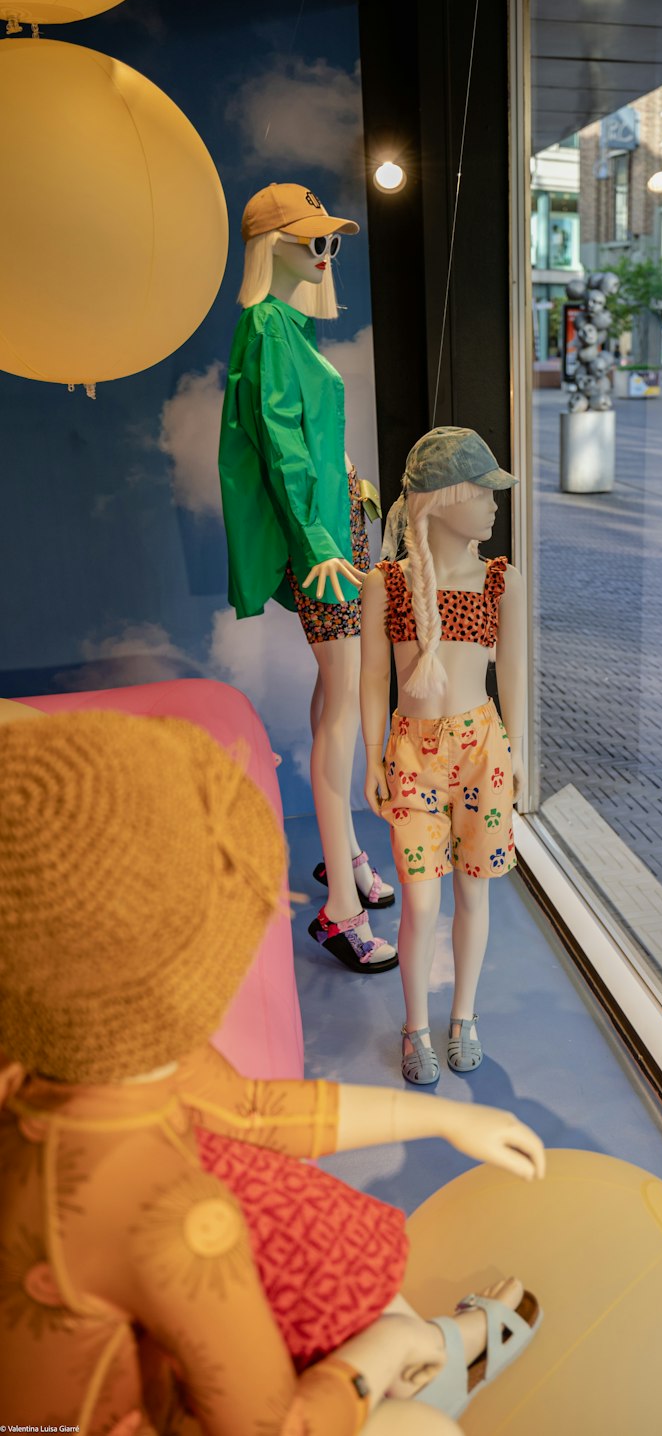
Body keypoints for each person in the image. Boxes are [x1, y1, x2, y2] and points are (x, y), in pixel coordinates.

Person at [0, 710, 544, 1434]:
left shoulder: (62, 1059)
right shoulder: (179, 1223)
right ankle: (435, 1357)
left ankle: (435, 1353)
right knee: (426, 1431)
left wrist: (447, 1117)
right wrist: (384, 1350)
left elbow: (250, 1108)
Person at [218, 182, 396, 976]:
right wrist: (323, 539)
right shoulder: (265, 327)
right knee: (342, 714)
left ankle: (345, 856)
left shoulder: (288, 326)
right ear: (272, 248)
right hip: (323, 548)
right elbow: (282, 450)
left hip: (338, 530)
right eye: (312, 242)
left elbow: (316, 441)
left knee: (338, 698)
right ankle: (339, 911)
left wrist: (354, 485)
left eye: (330, 244)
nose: (325, 255)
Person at [360, 429, 525, 1085]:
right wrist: (373, 757)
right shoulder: (389, 582)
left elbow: (511, 674)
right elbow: (375, 678)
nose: (492, 507)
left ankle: (463, 1016)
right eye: (482, 493)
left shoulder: (498, 579)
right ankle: (415, 1026)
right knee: (421, 903)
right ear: (446, 498)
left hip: (482, 750)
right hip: (412, 754)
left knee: (474, 893)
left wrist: (513, 750)